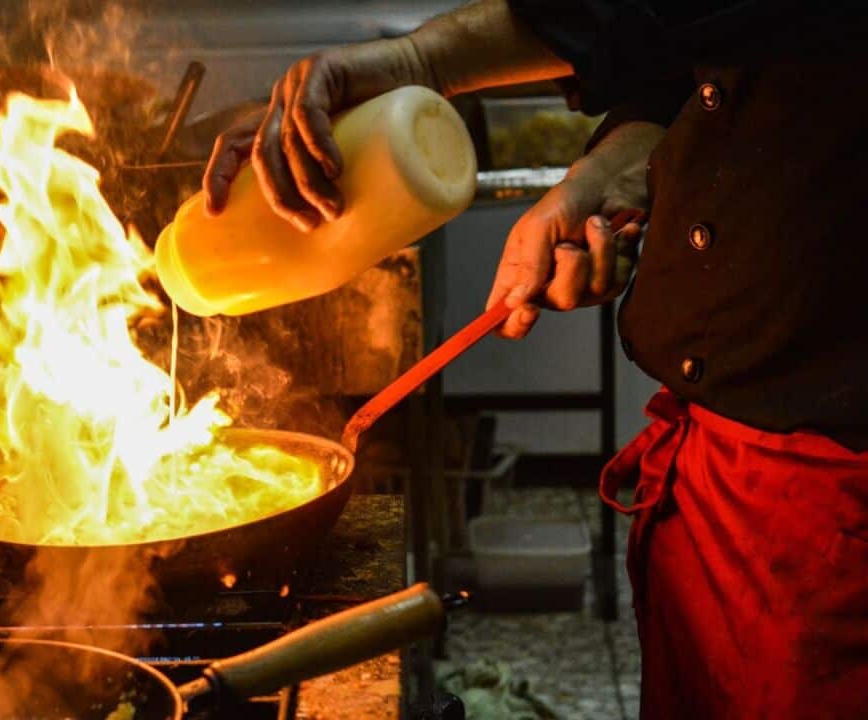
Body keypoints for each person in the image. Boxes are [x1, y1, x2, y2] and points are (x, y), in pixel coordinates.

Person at [201, 1, 868, 717]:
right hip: (710, 477)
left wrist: (416, 63)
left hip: (835, 507)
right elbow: (698, 74)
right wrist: (606, 174)